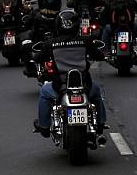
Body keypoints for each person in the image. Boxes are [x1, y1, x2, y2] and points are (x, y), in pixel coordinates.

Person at [33, 9, 106, 138]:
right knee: (96, 93)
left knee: (44, 91)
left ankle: (44, 126)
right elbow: (99, 55)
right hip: (84, 85)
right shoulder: (85, 41)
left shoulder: (51, 43)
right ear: (76, 25)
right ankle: (100, 124)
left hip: (59, 86)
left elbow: (38, 58)